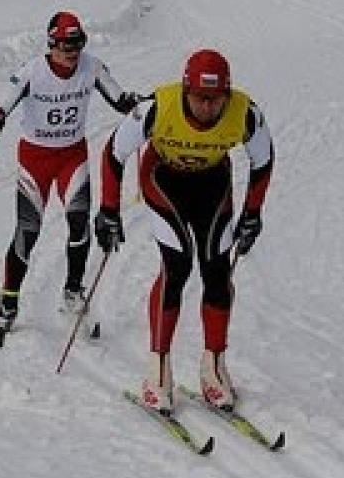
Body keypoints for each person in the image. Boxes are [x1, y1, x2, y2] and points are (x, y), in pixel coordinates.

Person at [94, 48, 273, 414]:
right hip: (164, 180)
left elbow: (264, 159)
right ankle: (157, 369)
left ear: (227, 93)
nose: (208, 107)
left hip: (212, 184)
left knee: (217, 271)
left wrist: (253, 213)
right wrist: (108, 209)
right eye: (199, 98)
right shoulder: (157, 107)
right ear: (185, 90)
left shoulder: (245, 112)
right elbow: (114, 153)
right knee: (177, 266)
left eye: (216, 99)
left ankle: (214, 366)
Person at [0, 11, 138, 338]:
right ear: (51, 43)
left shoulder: (91, 67)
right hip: (36, 158)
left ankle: (72, 293)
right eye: (66, 45)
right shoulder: (32, 71)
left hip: (71, 156)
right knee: (29, 230)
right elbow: (2, 104)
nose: (73, 51)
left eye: (78, 43)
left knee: (79, 222)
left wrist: (136, 104)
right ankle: (8, 301)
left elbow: (119, 98)